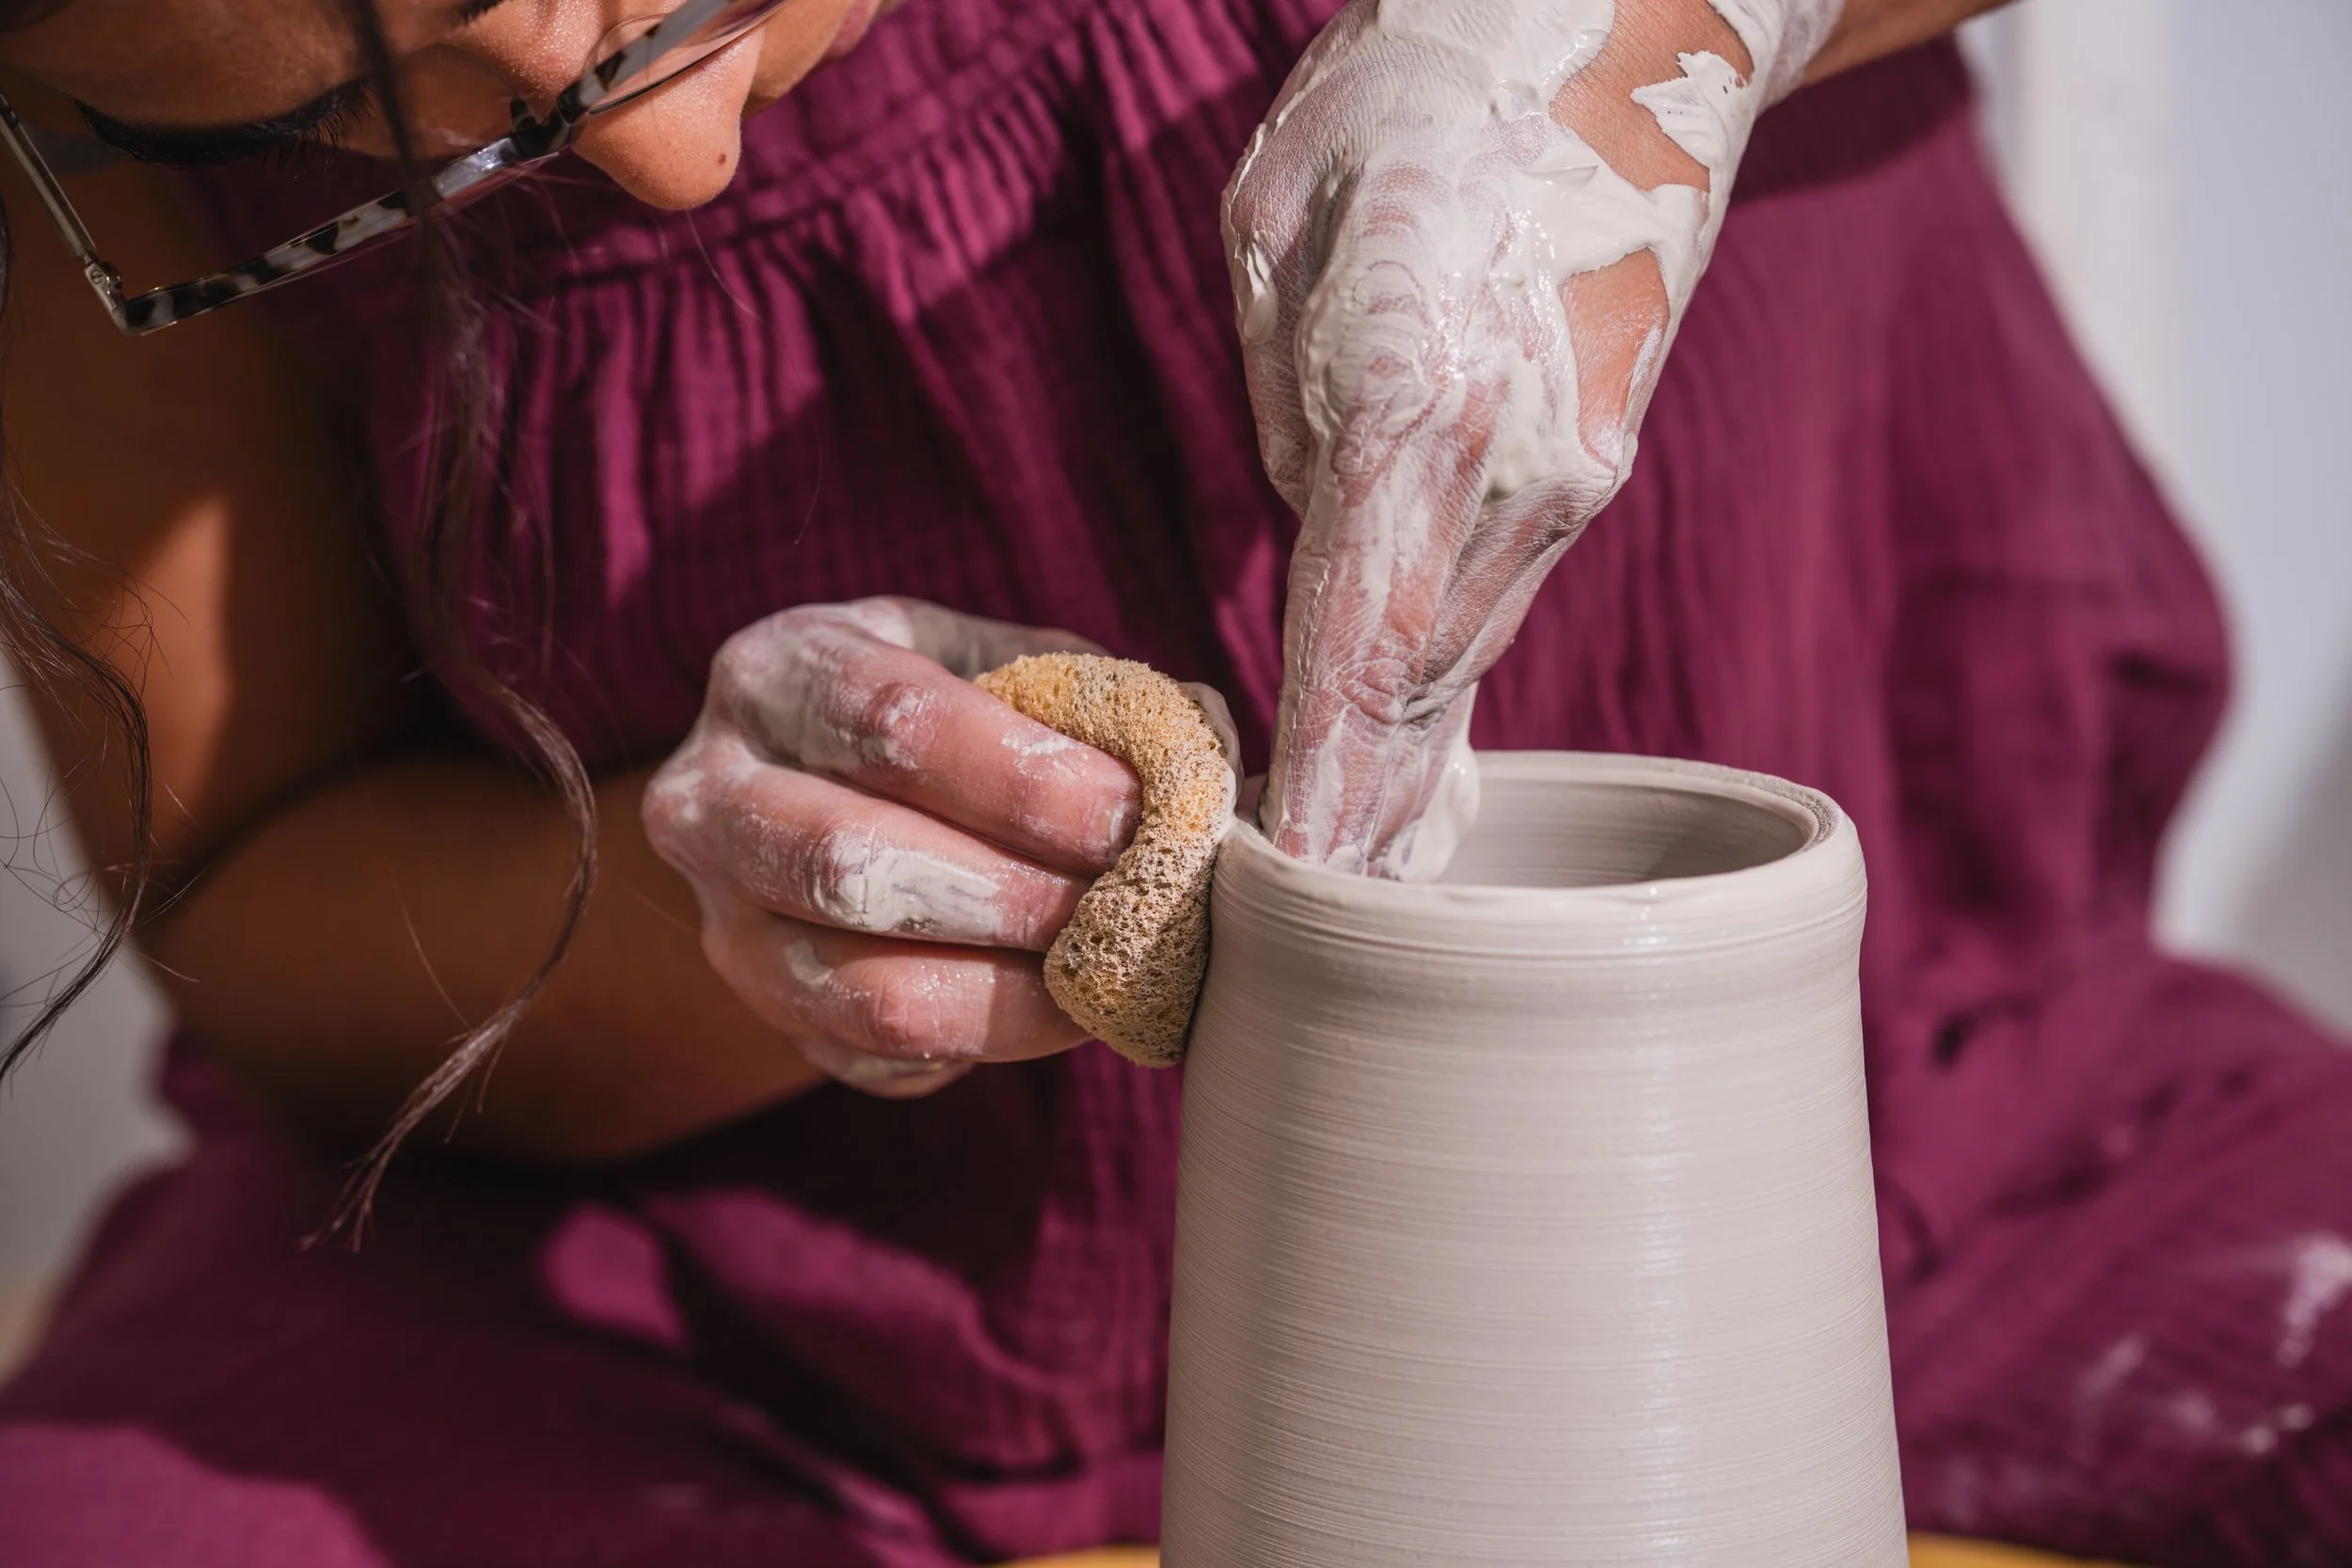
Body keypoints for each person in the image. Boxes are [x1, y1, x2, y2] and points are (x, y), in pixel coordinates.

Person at [0, 0, 2344, 1560]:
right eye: (353, 118)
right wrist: (720, 899)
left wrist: (1633, 37)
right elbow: (258, 871)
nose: (657, 146)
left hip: (1933, 1163)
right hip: (728, 1324)